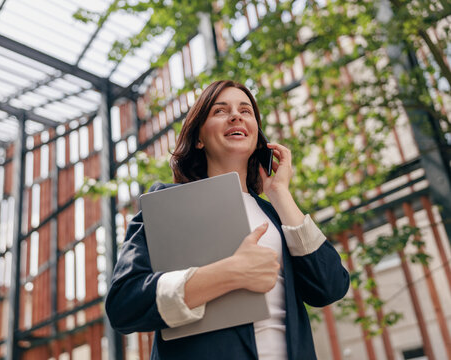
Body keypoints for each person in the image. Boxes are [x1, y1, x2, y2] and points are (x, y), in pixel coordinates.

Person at [105, 80, 349, 359]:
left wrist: (279, 193)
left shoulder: (277, 214)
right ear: (199, 138)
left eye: (246, 111)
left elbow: (330, 286)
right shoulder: (167, 205)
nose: (236, 115)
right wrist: (231, 272)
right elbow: (124, 304)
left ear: (257, 135)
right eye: (220, 111)